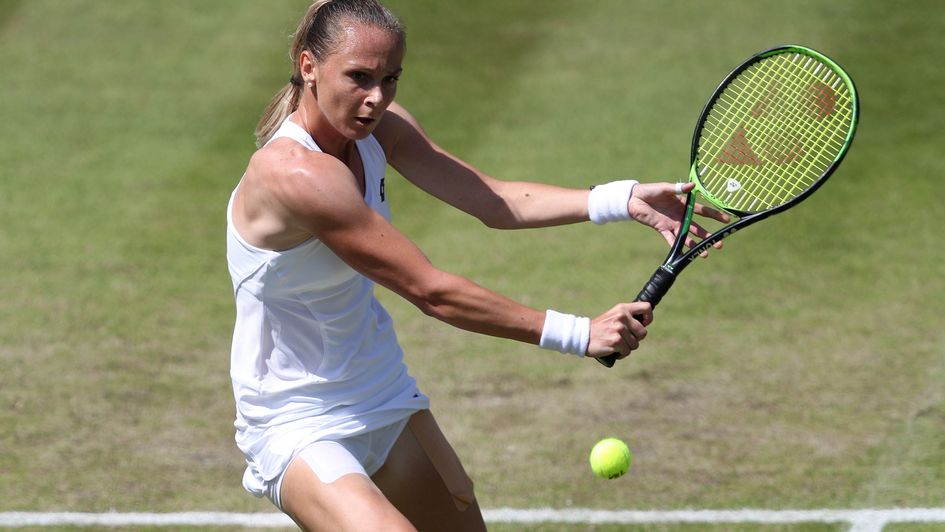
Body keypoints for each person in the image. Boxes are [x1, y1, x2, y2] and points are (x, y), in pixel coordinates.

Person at [226, 0, 727, 529]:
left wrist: (620, 199)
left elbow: (492, 200)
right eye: (359, 78)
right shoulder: (296, 175)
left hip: (378, 389)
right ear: (309, 67)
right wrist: (578, 333)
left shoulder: (379, 130)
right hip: (297, 420)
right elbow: (430, 291)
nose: (376, 99)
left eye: (390, 79)